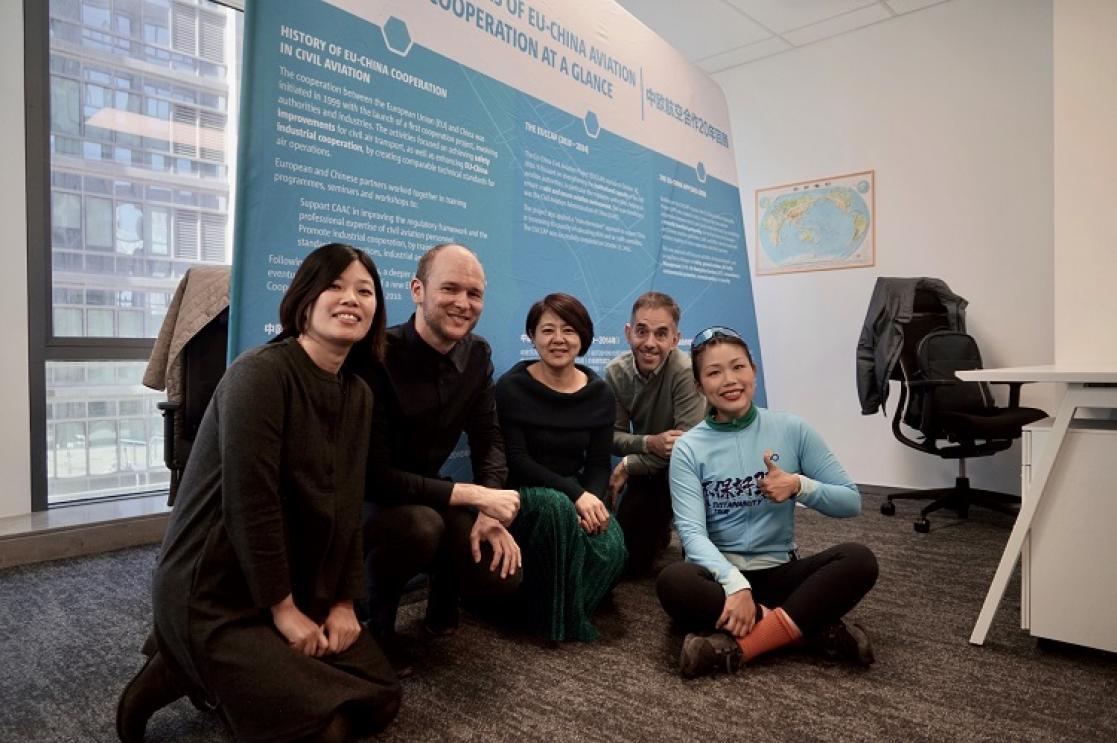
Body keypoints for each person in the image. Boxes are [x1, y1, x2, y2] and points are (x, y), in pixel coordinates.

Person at [116, 244, 400, 742]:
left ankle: (214, 674)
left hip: (295, 582)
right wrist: (284, 611)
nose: (350, 298)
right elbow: (252, 504)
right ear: (303, 301)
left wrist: (342, 602)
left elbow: (348, 504)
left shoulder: (358, 395)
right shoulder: (260, 374)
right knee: (327, 727)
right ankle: (178, 664)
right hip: (215, 588)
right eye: (334, 286)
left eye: (364, 290)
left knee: (381, 696)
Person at [656, 326, 879, 678]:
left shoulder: (791, 428)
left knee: (859, 560)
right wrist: (735, 584)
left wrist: (799, 486)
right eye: (714, 372)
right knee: (673, 582)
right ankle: (808, 628)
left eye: (738, 367)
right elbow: (691, 533)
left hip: (781, 571)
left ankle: (738, 645)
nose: (730, 380)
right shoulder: (689, 447)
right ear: (699, 386)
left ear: (753, 371)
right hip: (719, 578)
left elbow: (851, 501)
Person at [360, 243, 522, 649]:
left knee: (501, 574)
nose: (463, 303)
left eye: (474, 294)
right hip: (369, 500)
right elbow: (374, 476)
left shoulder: (477, 354)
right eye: (450, 289)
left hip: (427, 491)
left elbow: (489, 439)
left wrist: (489, 508)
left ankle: (442, 608)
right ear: (418, 290)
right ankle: (374, 632)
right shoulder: (377, 354)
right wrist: (474, 493)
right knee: (421, 526)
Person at [494, 293, 628, 642]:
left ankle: (547, 608)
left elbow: (599, 463)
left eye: (568, 330)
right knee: (556, 511)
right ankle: (555, 622)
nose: (558, 339)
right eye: (547, 330)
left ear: (583, 337)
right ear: (532, 336)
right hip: (525, 495)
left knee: (612, 546)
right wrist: (576, 496)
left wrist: (593, 502)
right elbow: (518, 461)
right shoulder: (512, 388)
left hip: (578, 492)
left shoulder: (599, 393)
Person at [604, 291, 705, 576]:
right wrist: (649, 443)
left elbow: (687, 448)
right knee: (627, 564)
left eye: (661, 334)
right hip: (654, 467)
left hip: (696, 470)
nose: (649, 343)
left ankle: (680, 524)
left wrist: (629, 464)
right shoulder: (615, 373)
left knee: (701, 567)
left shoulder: (686, 372)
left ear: (675, 339)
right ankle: (659, 527)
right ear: (628, 333)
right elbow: (613, 437)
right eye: (641, 331)